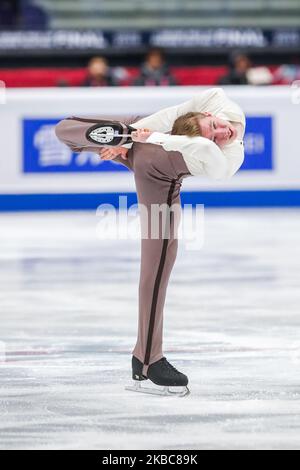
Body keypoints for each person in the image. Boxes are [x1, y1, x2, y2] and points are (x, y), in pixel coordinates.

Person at [55, 88, 245, 396]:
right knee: (157, 268)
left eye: (217, 134)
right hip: (158, 172)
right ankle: (147, 360)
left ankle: (82, 137)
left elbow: (180, 127)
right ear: (208, 115)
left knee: (67, 126)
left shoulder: (222, 125)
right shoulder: (217, 103)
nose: (223, 133)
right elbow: (174, 120)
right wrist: (130, 138)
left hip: (144, 132)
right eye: (214, 129)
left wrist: (130, 138)